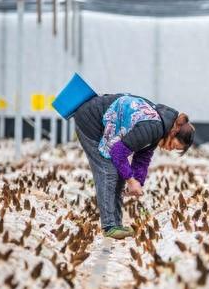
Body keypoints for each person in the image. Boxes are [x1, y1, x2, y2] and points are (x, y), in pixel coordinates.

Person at [73, 93, 195, 239]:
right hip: (90, 120)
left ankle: (116, 225)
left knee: (119, 174)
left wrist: (137, 181)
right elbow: (117, 152)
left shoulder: (161, 127)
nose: (170, 149)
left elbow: (143, 157)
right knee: (108, 172)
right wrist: (131, 180)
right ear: (173, 133)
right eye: (174, 146)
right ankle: (109, 226)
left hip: (102, 122)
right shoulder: (153, 127)